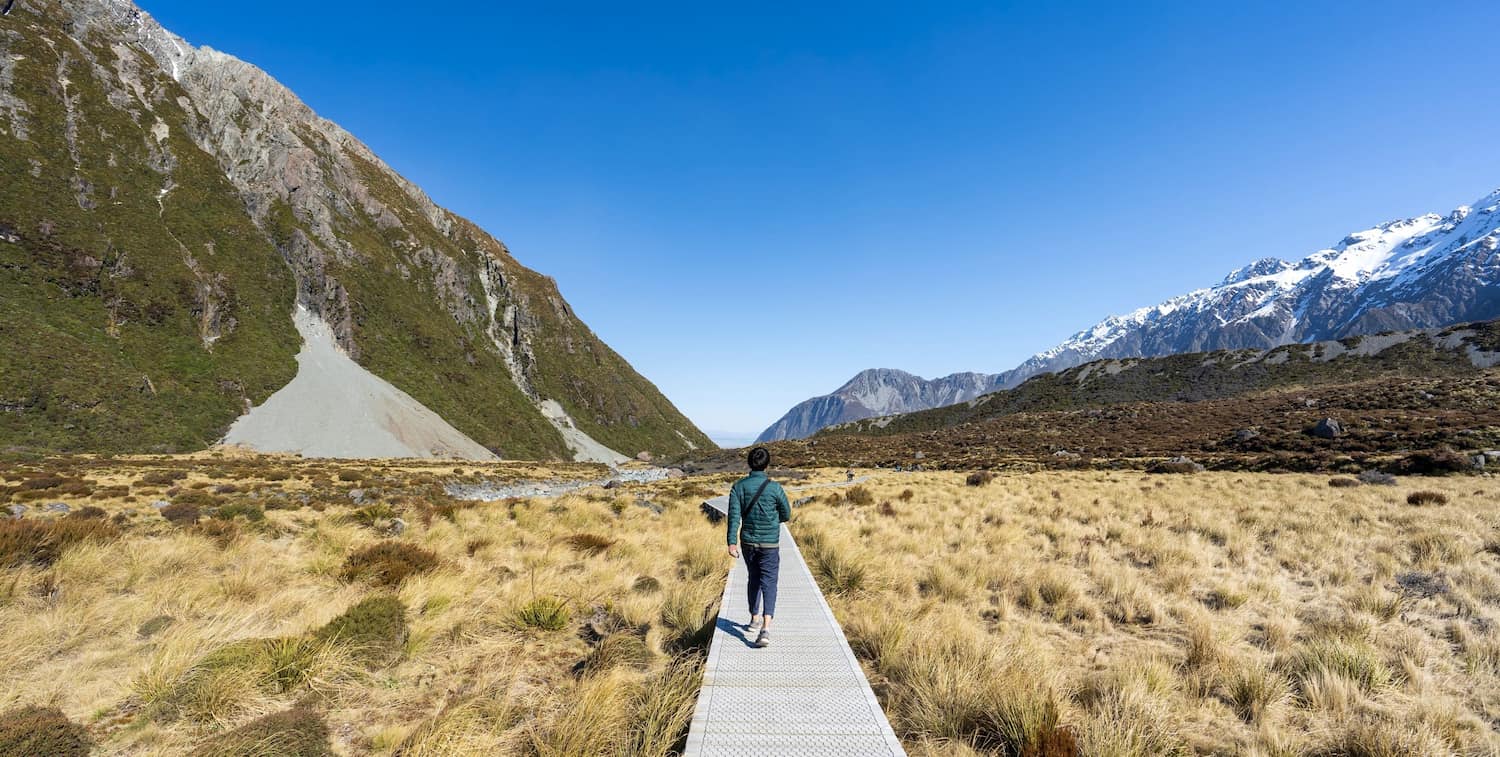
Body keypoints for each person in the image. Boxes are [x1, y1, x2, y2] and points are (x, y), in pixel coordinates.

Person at [726, 446, 791, 648]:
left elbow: (734, 517)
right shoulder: (775, 488)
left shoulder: (738, 487)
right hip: (770, 543)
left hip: (748, 542)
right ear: (767, 464)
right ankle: (765, 628)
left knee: (753, 578)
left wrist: (731, 542)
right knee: (769, 582)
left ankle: (753, 618)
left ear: (749, 463)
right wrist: (773, 519)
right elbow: (786, 514)